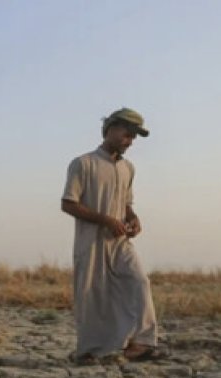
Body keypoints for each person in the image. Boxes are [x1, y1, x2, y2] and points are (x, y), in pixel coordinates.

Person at [60, 107, 164, 364]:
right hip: (91, 241)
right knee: (93, 295)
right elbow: (68, 204)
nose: (129, 141)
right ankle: (91, 351)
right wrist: (105, 220)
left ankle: (141, 343)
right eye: (126, 134)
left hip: (120, 242)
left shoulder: (128, 168)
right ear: (109, 129)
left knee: (138, 281)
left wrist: (132, 218)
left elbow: (126, 202)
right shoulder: (83, 163)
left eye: (133, 137)